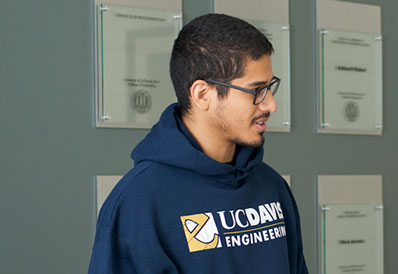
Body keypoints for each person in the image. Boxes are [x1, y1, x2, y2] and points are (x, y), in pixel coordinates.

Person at [89, 14, 308, 274]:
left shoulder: (272, 187)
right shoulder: (139, 202)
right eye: (256, 91)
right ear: (203, 94)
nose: (271, 104)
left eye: (270, 88)